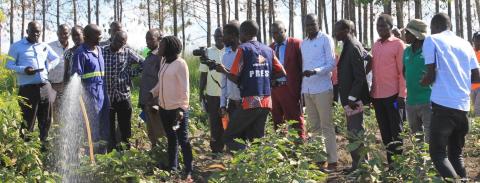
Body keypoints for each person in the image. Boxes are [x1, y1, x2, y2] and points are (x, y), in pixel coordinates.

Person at [421, 13, 480, 180]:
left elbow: (430, 76)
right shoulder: (465, 44)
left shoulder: (432, 40)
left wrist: (424, 81)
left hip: (443, 107)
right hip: (462, 108)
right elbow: (476, 77)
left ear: (434, 27)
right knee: (456, 155)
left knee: (438, 154)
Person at [215, 20, 286, 151]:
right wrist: (266, 78)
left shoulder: (243, 49)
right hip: (266, 101)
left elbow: (235, 78)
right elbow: (282, 72)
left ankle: (247, 153)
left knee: (229, 137)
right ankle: (258, 166)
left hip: (250, 102)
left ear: (244, 33)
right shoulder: (268, 50)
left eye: (240, 33)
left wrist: (224, 71)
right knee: (257, 139)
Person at [6, 21, 59, 147]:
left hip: (45, 87)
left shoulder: (44, 45)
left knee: (46, 120)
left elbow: (56, 58)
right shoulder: (16, 46)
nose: (36, 34)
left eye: (38, 32)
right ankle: (26, 152)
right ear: (27, 31)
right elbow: (8, 65)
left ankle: (43, 149)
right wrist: (24, 70)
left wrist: (49, 66)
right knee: (28, 122)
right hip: (28, 89)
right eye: (33, 31)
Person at [150, 36, 193, 180]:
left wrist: (182, 109)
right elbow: (161, 82)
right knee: (171, 139)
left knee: (183, 140)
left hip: (177, 110)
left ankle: (188, 169)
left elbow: (185, 89)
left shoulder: (180, 64)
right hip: (164, 108)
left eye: (161, 46)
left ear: (168, 48)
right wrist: (153, 92)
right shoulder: (164, 61)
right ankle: (173, 167)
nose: (159, 48)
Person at [301, 14, 338, 171]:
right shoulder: (303, 43)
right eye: (307, 25)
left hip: (322, 88)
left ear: (318, 24)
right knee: (314, 126)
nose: (310, 27)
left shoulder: (326, 39)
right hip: (307, 89)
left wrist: (315, 71)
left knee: (326, 125)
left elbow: (331, 64)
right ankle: (319, 158)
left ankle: (333, 161)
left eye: (313, 24)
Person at [334, 19, 371, 173]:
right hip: (351, 99)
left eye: (338, 30)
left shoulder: (353, 46)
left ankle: (362, 167)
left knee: (356, 132)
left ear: (347, 30)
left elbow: (359, 76)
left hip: (354, 100)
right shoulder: (349, 45)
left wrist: (352, 97)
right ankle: (358, 165)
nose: (335, 34)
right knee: (352, 131)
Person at [370, 14, 406, 166]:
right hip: (377, 96)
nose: (380, 29)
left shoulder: (398, 45)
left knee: (396, 131)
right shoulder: (376, 45)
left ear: (391, 27)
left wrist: (402, 95)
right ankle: (391, 163)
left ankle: (398, 165)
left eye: (383, 26)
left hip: (393, 96)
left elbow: (402, 73)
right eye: (378, 26)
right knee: (384, 131)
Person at [71, 24, 111, 154]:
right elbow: (76, 78)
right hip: (90, 94)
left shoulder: (99, 50)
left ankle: (103, 154)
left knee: (104, 123)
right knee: (92, 126)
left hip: (103, 92)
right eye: (97, 35)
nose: (100, 37)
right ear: (87, 36)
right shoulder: (80, 53)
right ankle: (91, 156)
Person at [103, 31, 144, 150]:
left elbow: (143, 63)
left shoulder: (127, 52)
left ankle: (125, 150)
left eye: (122, 42)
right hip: (107, 96)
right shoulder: (103, 51)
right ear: (112, 38)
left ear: (125, 43)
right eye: (116, 40)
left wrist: (130, 73)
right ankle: (110, 151)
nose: (118, 44)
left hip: (123, 95)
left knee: (125, 125)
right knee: (108, 126)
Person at [269, 21, 305, 139]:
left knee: (295, 119)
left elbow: (302, 67)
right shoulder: (270, 48)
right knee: (277, 121)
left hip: (290, 89)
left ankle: (299, 146)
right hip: (275, 90)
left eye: (278, 32)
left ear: (285, 31)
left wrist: (301, 90)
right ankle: (281, 149)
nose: (275, 35)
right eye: (273, 33)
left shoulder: (296, 44)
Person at [402, 19, 431, 142]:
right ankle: (419, 162)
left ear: (417, 35)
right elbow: (404, 71)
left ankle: (432, 161)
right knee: (416, 138)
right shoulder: (407, 51)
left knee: (430, 138)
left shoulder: (429, 50)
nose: (405, 35)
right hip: (411, 101)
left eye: (408, 33)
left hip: (427, 100)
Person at [199, 27, 226, 153]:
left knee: (227, 122)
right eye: (216, 36)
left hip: (228, 95)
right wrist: (201, 93)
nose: (218, 38)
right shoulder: (208, 52)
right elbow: (203, 74)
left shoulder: (230, 50)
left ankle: (228, 149)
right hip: (212, 94)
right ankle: (216, 150)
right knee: (214, 123)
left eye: (221, 36)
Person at [139, 28, 165, 147]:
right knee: (151, 132)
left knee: (159, 131)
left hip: (155, 102)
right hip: (147, 100)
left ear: (159, 40)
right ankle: (155, 155)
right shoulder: (150, 55)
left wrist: (156, 101)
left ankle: (162, 158)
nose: (147, 42)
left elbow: (162, 81)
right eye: (146, 39)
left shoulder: (161, 58)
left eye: (151, 39)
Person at [219, 23, 242, 132]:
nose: (222, 39)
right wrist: (223, 105)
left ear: (233, 35)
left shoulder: (244, 54)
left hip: (245, 104)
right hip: (231, 105)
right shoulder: (225, 56)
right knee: (232, 137)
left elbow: (242, 80)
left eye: (225, 35)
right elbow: (223, 83)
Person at [48, 24, 73, 97]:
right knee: (53, 107)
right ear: (57, 34)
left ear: (69, 34)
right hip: (53, 85)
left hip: (68, 85)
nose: (63, 36)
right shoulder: (49, 47)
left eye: (65, 33)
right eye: (60, 33)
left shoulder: (73, 46)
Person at [471, 31, 480, 117]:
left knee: (478, 108)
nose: (478, 41)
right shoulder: (470, 52)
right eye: (477, 39)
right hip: (472, 85)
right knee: (474, 107)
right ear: (473, 40)